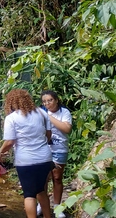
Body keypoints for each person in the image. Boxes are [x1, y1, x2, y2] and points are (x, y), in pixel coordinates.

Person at [0, 89, 54, 218]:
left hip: (25, 160)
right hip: (44, 158)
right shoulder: (42, 113)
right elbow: (48, 135)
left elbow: (10, 141)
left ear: (11, 102)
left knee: (29, 194)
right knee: (41, 191)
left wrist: (0, 152)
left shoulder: (11, 118)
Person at [41, 90, 72, 218]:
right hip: (44, 148)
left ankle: (57, 207)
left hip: (60, 148)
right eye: (44, 101)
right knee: (44, 178)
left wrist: (49, 117)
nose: (47, 103)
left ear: (56, 100)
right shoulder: (40, 113)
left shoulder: (64, 112)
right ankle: (42, 205)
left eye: (50, 100)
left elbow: (66, 129)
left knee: (57, 177)